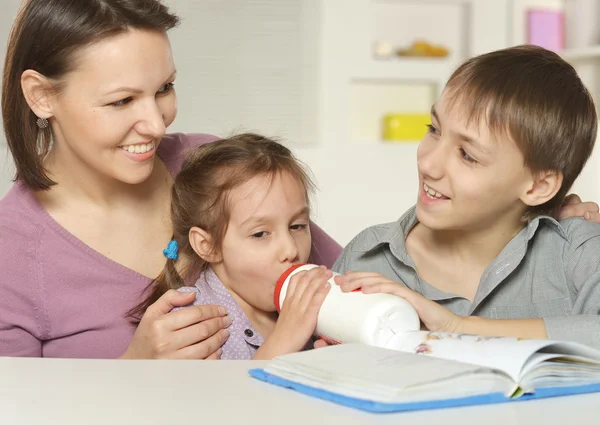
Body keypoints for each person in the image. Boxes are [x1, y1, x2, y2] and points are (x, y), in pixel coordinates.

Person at [0, 0, 341, 359]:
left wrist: (408, 240)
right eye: (122, 101)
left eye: (164, 88)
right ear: (41, 96)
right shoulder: (11, 252)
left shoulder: (213, 168)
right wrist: (134, 369)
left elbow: (345, 276)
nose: (157, 124)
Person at [333, 45, 600, 349]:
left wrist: (457, 327)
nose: (428, 163)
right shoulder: (367, 260)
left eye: (467, 155)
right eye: (433, 129)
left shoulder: (576, 253)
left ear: (538, 187)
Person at [132, 133, 332, 359]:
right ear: (208, 245)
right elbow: (215, 395)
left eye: (297, 226)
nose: (291, 250)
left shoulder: (319, 302)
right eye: (260, 234)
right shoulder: (191, 324)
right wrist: (284, 339)